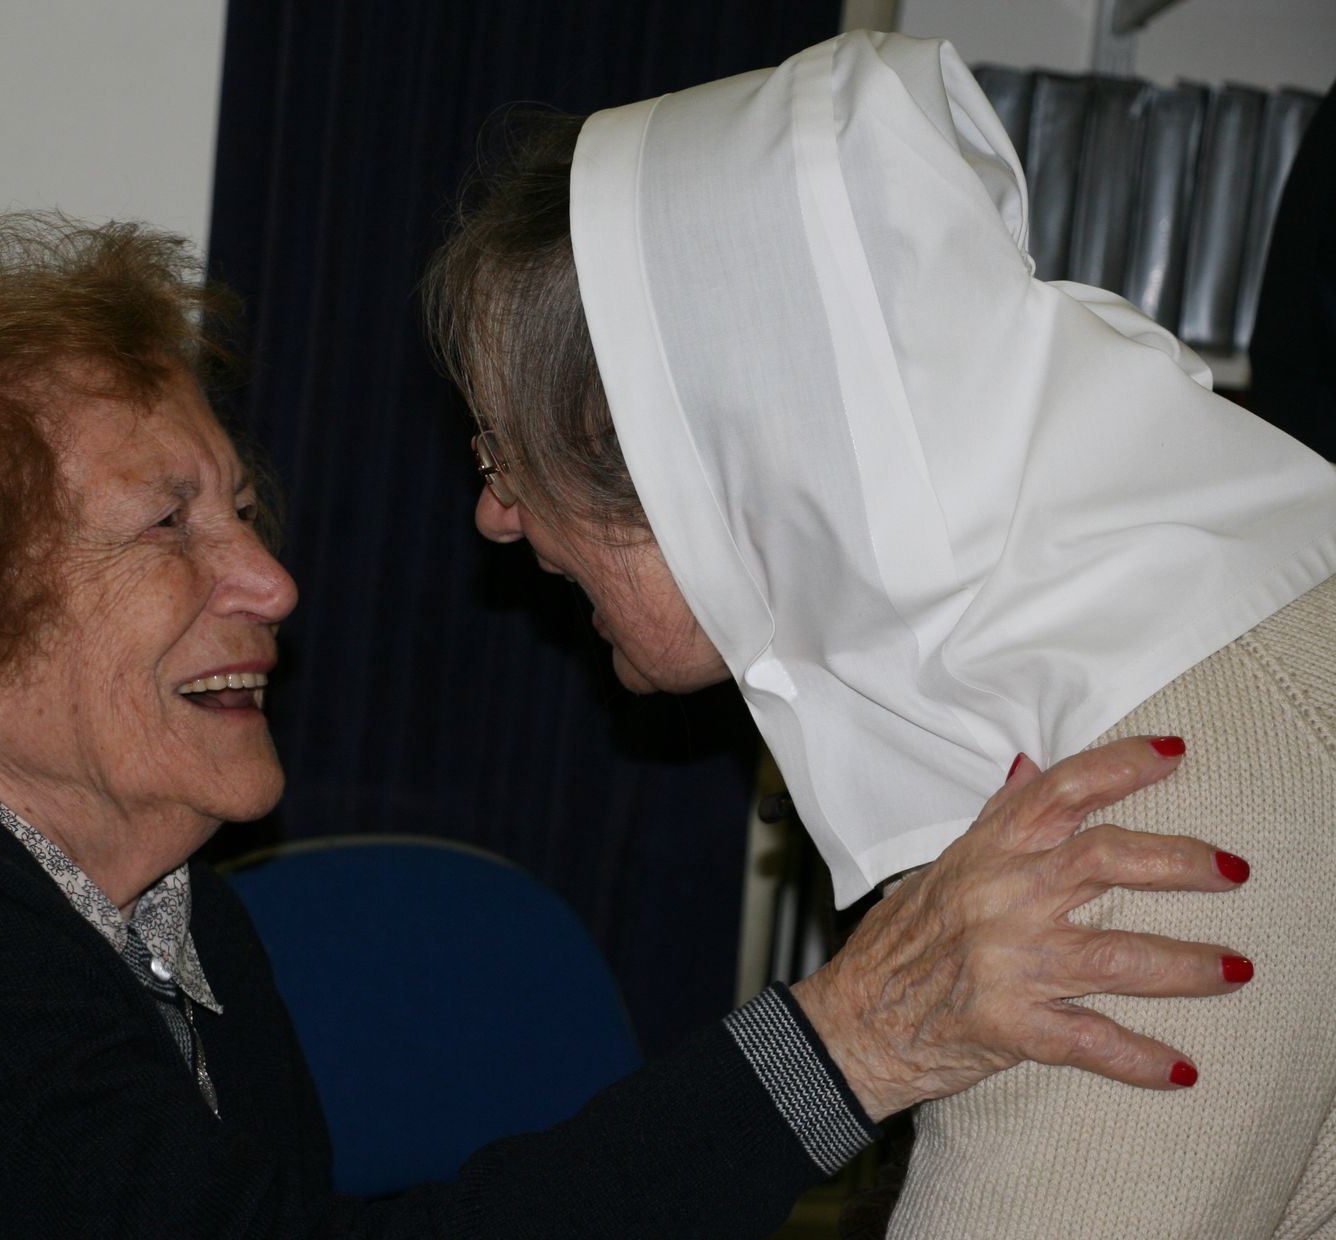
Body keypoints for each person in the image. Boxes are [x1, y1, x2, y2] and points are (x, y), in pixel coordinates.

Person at [0, 213, 1249, 1240]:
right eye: (167, 525)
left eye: (242, 511)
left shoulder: (165, 918)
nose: (269, 579)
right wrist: (845, 1043)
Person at [427, 30, 1336, 1240]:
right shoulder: (1216, 623)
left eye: (501, 450)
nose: (493, 515)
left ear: (674, 443)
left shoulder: (1112, 844)